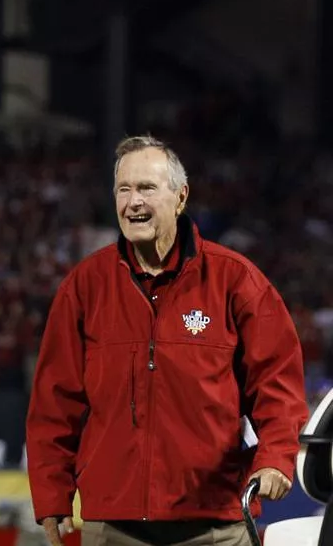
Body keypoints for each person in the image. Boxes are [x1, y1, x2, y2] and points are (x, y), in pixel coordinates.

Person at [26, 136, 309, 546]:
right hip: (114, 528)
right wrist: (52, 495)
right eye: (124, 189)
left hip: (215, 527)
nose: (132, 202)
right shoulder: (84, 287)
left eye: (146, 188)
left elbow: (278, 386)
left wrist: (276, 458)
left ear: (180, 197)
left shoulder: (236, 280)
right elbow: (54, 404)